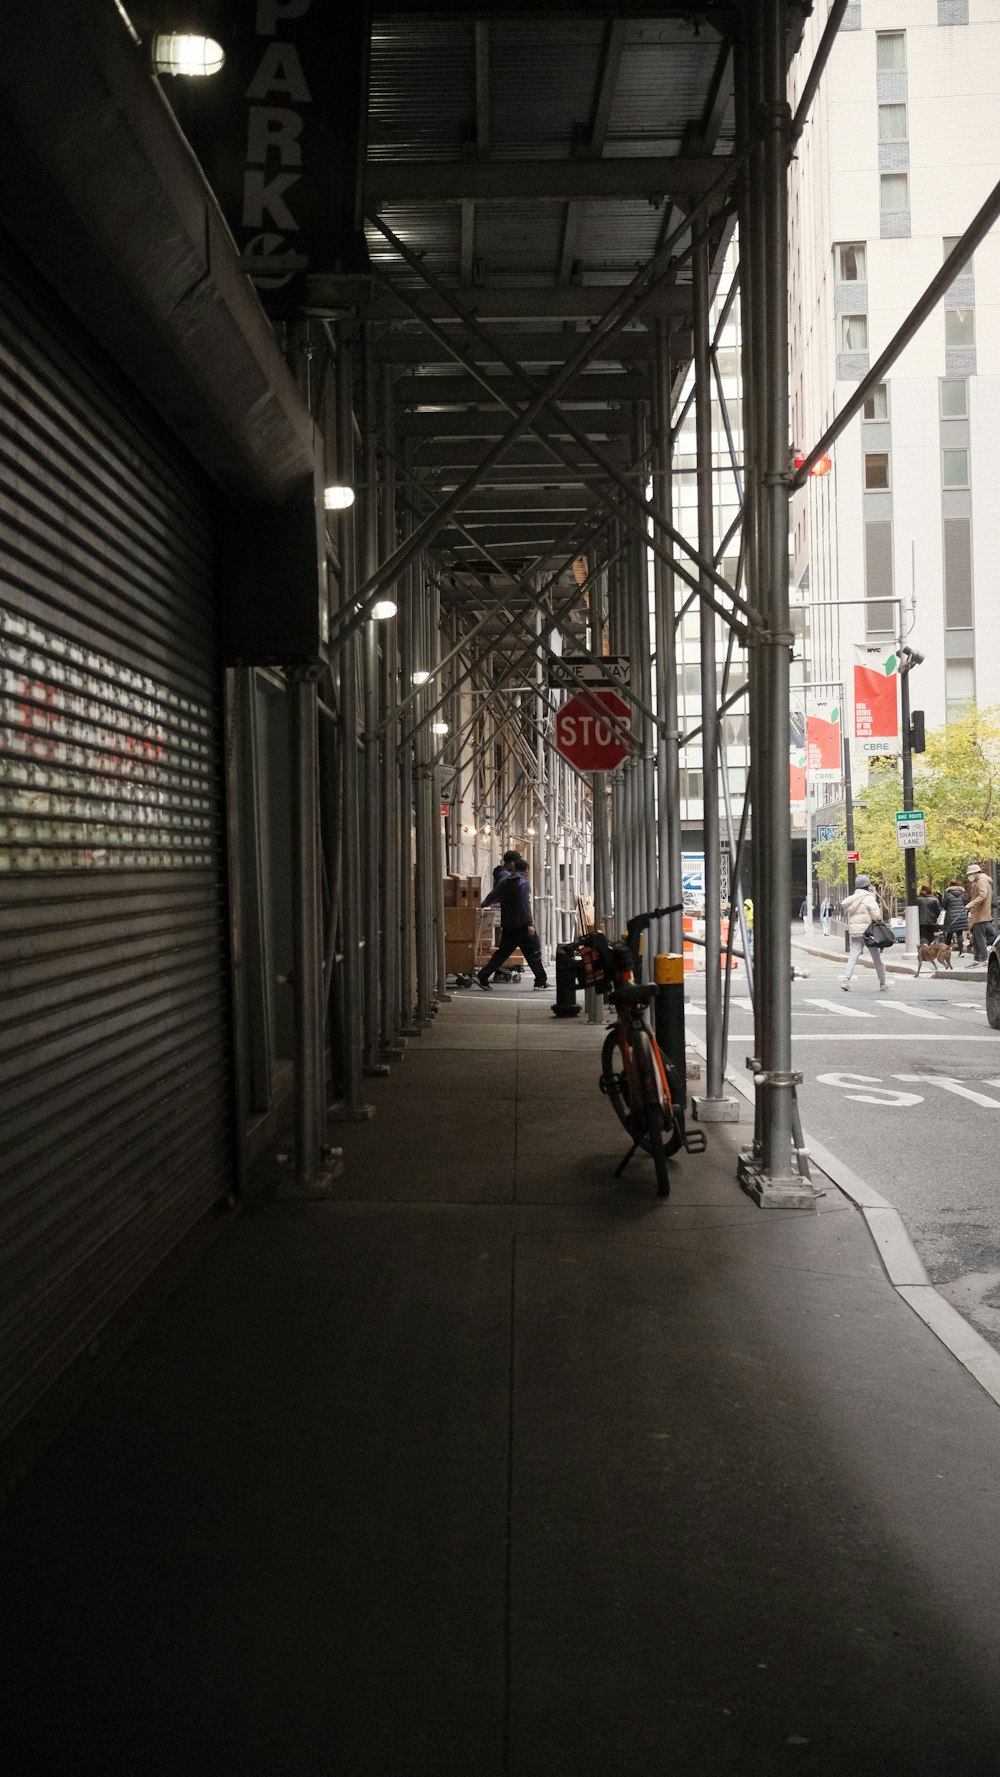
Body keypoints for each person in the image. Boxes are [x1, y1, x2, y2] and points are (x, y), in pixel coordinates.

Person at [477, 856, 548, 990]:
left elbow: (493, 895)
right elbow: (524, 904)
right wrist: (529, 923)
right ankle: (541, 981)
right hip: (522, 925)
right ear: (526, 870)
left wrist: (482, 905)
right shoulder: (523, 883)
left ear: (514, 867)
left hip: (508, 925)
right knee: (533, 952)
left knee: (502, 953)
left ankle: (483, 975)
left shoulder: (504, 881)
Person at [839, 873, 889, 991]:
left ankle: (846, 980)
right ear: (867, 885)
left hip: (855, 931)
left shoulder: (851, 900)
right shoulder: (869, 898)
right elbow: (876, 916)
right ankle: (883, 983)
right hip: (868, 932)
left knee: (853, 956)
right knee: (876, 958)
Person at [965, 862, 996, 964]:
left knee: (979, 937)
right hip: (979, 914)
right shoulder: (978, 881)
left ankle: (983, 958)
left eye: (970, 874)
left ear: (975, 873)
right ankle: (977, 959)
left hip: (981, 914)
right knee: (976, 937)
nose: (969, 876)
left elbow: (982, 896)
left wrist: (970, 904)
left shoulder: (981, 881)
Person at [941, 877, 969, 956]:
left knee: (949, 934)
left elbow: (944, 905)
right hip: (961, 915)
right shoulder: (962, 894)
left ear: (949, 885)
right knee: (959, 934)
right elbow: (966, 903)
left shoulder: (948, 895)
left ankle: (946, 952)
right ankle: (961, 952)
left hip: (951, 916)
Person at [916, 883, 942, 947]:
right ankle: (930, 948)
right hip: (931, 921)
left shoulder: (917, 899)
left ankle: (924, 945)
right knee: (930, 936)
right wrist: (935, 917)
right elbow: (938, 910)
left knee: (922, 935)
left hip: (920, 921)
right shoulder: (934, 899)